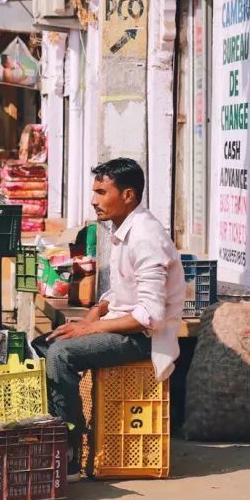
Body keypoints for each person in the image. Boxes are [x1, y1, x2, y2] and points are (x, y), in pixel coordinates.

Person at [33, 158, 184, 481]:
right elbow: (122, 292)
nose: (93, 201)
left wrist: (90, 328)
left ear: (128, 195)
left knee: (61, 355)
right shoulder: (123, 230)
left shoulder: (146, 236)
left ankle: (71, 452)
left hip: (146, 338)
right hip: (122, 323)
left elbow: (150, 315)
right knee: (44, 342)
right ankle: (65, 425)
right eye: (94, 192)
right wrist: (97, 311)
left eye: (102, 192)